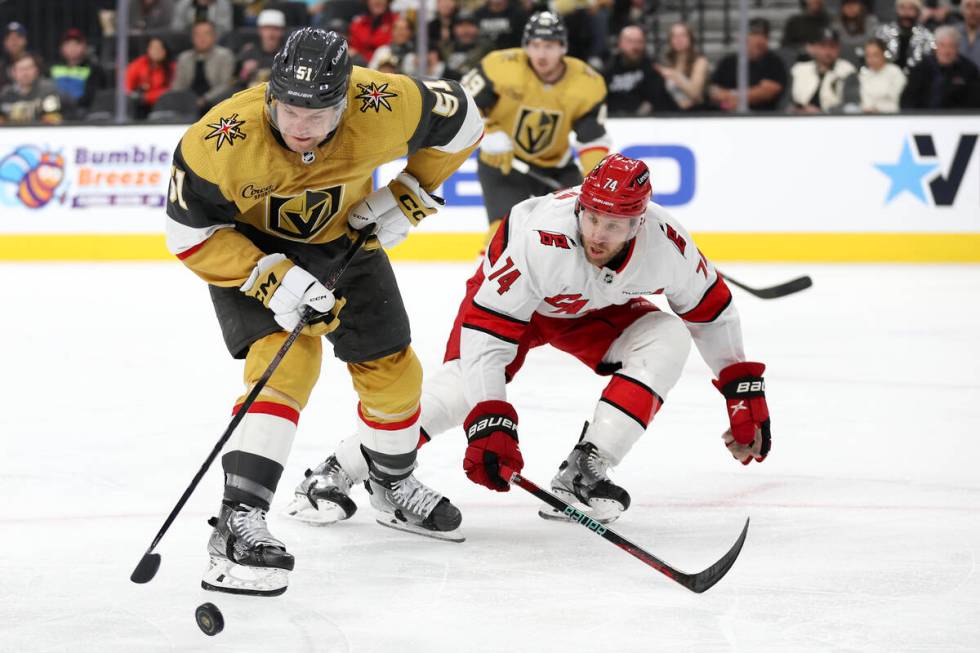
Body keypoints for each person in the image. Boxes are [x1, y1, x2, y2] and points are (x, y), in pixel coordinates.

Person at [286, 153, 773, 528]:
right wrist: (489, 418)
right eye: (593, 217)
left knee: (666, 335)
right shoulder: (543, 238)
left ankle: (586, 471)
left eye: (616, 224)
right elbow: (489, 332)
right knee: (461, 392)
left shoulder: (668, 245)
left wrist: (738, 385)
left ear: (639, 223)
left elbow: (710, 313)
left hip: (590, 309)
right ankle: (336, 469)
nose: (599, 234)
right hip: (507, 308)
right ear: (580, 205)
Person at [164, 27, 482, 596]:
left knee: (394, 370)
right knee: (285, 365)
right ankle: (238, 524)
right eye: (287, 110)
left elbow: (466, 120)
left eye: (316, 114)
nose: (298, 127)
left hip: (346, 241)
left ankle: (391, 484)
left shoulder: (384, 102)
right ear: (270, 95)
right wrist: (270, 278)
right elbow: (187, 235)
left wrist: (410, 191)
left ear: (347, 100)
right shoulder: (219, 140)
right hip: (251, 249)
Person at [462, 11, 611, 241]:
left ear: (563, 47)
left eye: (550, 45)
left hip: (556, 167)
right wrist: (487, 131)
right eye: (535, 45)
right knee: (503, 236)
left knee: (578, 231)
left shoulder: (586, 82)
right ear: (526, 46)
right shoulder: (500, 66)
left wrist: (596, 181)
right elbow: (463, 104)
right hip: (503, 163)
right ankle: (487, 276)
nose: (541, 54)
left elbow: (591, 137)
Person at [709, 17, 787, 112]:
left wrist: (731, 95)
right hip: (726, 115)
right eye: (755, 34)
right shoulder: (728, 62)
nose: (760, 40)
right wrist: (727, 101)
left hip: (761, 116)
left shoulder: (773, 62)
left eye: (764, 35)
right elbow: (713, 90)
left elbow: (767, 92)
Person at [603, 24, 678, 116]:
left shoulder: (652, 68)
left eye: (640, 42)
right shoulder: (608, 69)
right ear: (620, 43)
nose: (636, 46)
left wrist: (634, 119)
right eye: (630, 41)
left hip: (644, 122)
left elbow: (653, 102)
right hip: (612, 121)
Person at [900, 24, 980, 107]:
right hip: (923, 117)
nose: (947, 51)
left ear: (957, 47)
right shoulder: (921, 68)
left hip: (957, 118)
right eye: (942, 45)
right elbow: (907, 100)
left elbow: (974, 104)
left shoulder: (969, 70)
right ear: (936, 46)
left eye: (951, 46)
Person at [171, 20, 235, 114]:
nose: (202, 38)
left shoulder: (224, 56)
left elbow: (225, 85)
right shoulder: (184, 58)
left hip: (216, 104)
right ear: (192, 38)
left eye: (206, 34)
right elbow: (178, 85)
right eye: (197, 35)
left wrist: (204, 99)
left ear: (214, 37)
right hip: (188, 105)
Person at [790, 28, 857, 112]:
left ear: (838, 48)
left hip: (833, 121)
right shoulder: (799, 69)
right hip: (798, 119)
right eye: (823, 46)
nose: (828, 51)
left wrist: (822, 113)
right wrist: (798, 109)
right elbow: (787, 101)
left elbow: (851, 106)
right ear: (814, 48)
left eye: (832, 46)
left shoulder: (847, 70)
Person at [50, 29, 108, 119]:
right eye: (68, 44)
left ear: (84, 47)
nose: (72, 48)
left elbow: (92, 96)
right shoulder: (53, 67)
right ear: (61, 48)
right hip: (55, 111)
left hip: (81, 113)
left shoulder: (93, 69)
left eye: (76, 44)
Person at [657, 22, 709, 110]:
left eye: (683, 35)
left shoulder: (700, 62)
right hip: (669, 111)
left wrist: (675, 76)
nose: (678, 39)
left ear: (690, 39)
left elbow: (695, 93)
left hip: (694, 112)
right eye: (674, 36)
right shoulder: (665, 62)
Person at [876, 0, 936, 72]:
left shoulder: (926, 36)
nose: (906, 13)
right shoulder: (884, 32)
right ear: (896, 10)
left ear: (918, 11)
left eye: (911, 8)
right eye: (902, 8)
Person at [0, 54, 61, 124]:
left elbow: (52, 119)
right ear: (13, 72)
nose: (25, 73)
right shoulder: (5, 94)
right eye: (21, 69)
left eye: (29, 68)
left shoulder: (48, 91)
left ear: (36, 71)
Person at [235, 9, 287, 89]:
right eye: (267, 29)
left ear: (282, 31)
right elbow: (237, 79)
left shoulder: (289, 54)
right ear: (260, 30)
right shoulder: (249, 51)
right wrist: (245, 71)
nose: (271, 34)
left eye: (276, 29)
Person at [125, 36, 175, 118]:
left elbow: (173, 91)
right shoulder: (139, 65)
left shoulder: (172, 67)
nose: (156, 51)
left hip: (165, 106)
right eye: (153, 48)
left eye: (159, 48)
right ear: (148, 50)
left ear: (165, 51)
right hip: (141, 108)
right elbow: (127, 88)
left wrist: (148, 97)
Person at [831, 0, 880, 66]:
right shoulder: (836, 23)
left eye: (854, 4)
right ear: (842, 7)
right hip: (842, 63)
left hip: (867, 62)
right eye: (847, 4)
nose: (850, 8)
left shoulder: (871, 21)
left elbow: (872, 44)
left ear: (861, 6)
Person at [957, 0, 980, 68]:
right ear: (961, 10)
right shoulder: (952, 33)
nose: (972, 12)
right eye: (968, 6)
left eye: (977, 6)